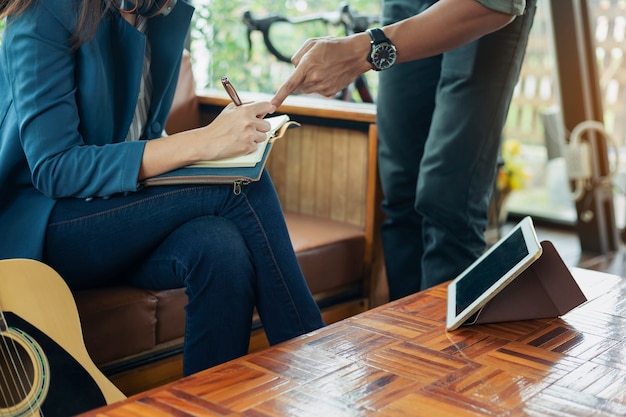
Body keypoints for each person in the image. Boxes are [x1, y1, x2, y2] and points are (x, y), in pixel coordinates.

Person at [0, 0, 324, 376]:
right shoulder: (46, 13)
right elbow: (55, 169)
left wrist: (214, 148)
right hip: (42, 227)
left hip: (116, 214)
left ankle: (210, 404)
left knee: (220, 245)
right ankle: (315, 369)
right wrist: (204, 143)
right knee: (242, 183)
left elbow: (145, 134)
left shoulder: (158, 14)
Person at [271, 0, 537, 300]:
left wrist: (363, 49)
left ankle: (444, 344)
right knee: (400, 191)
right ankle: (405, 335)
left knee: (448, 200)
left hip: (481, 7)